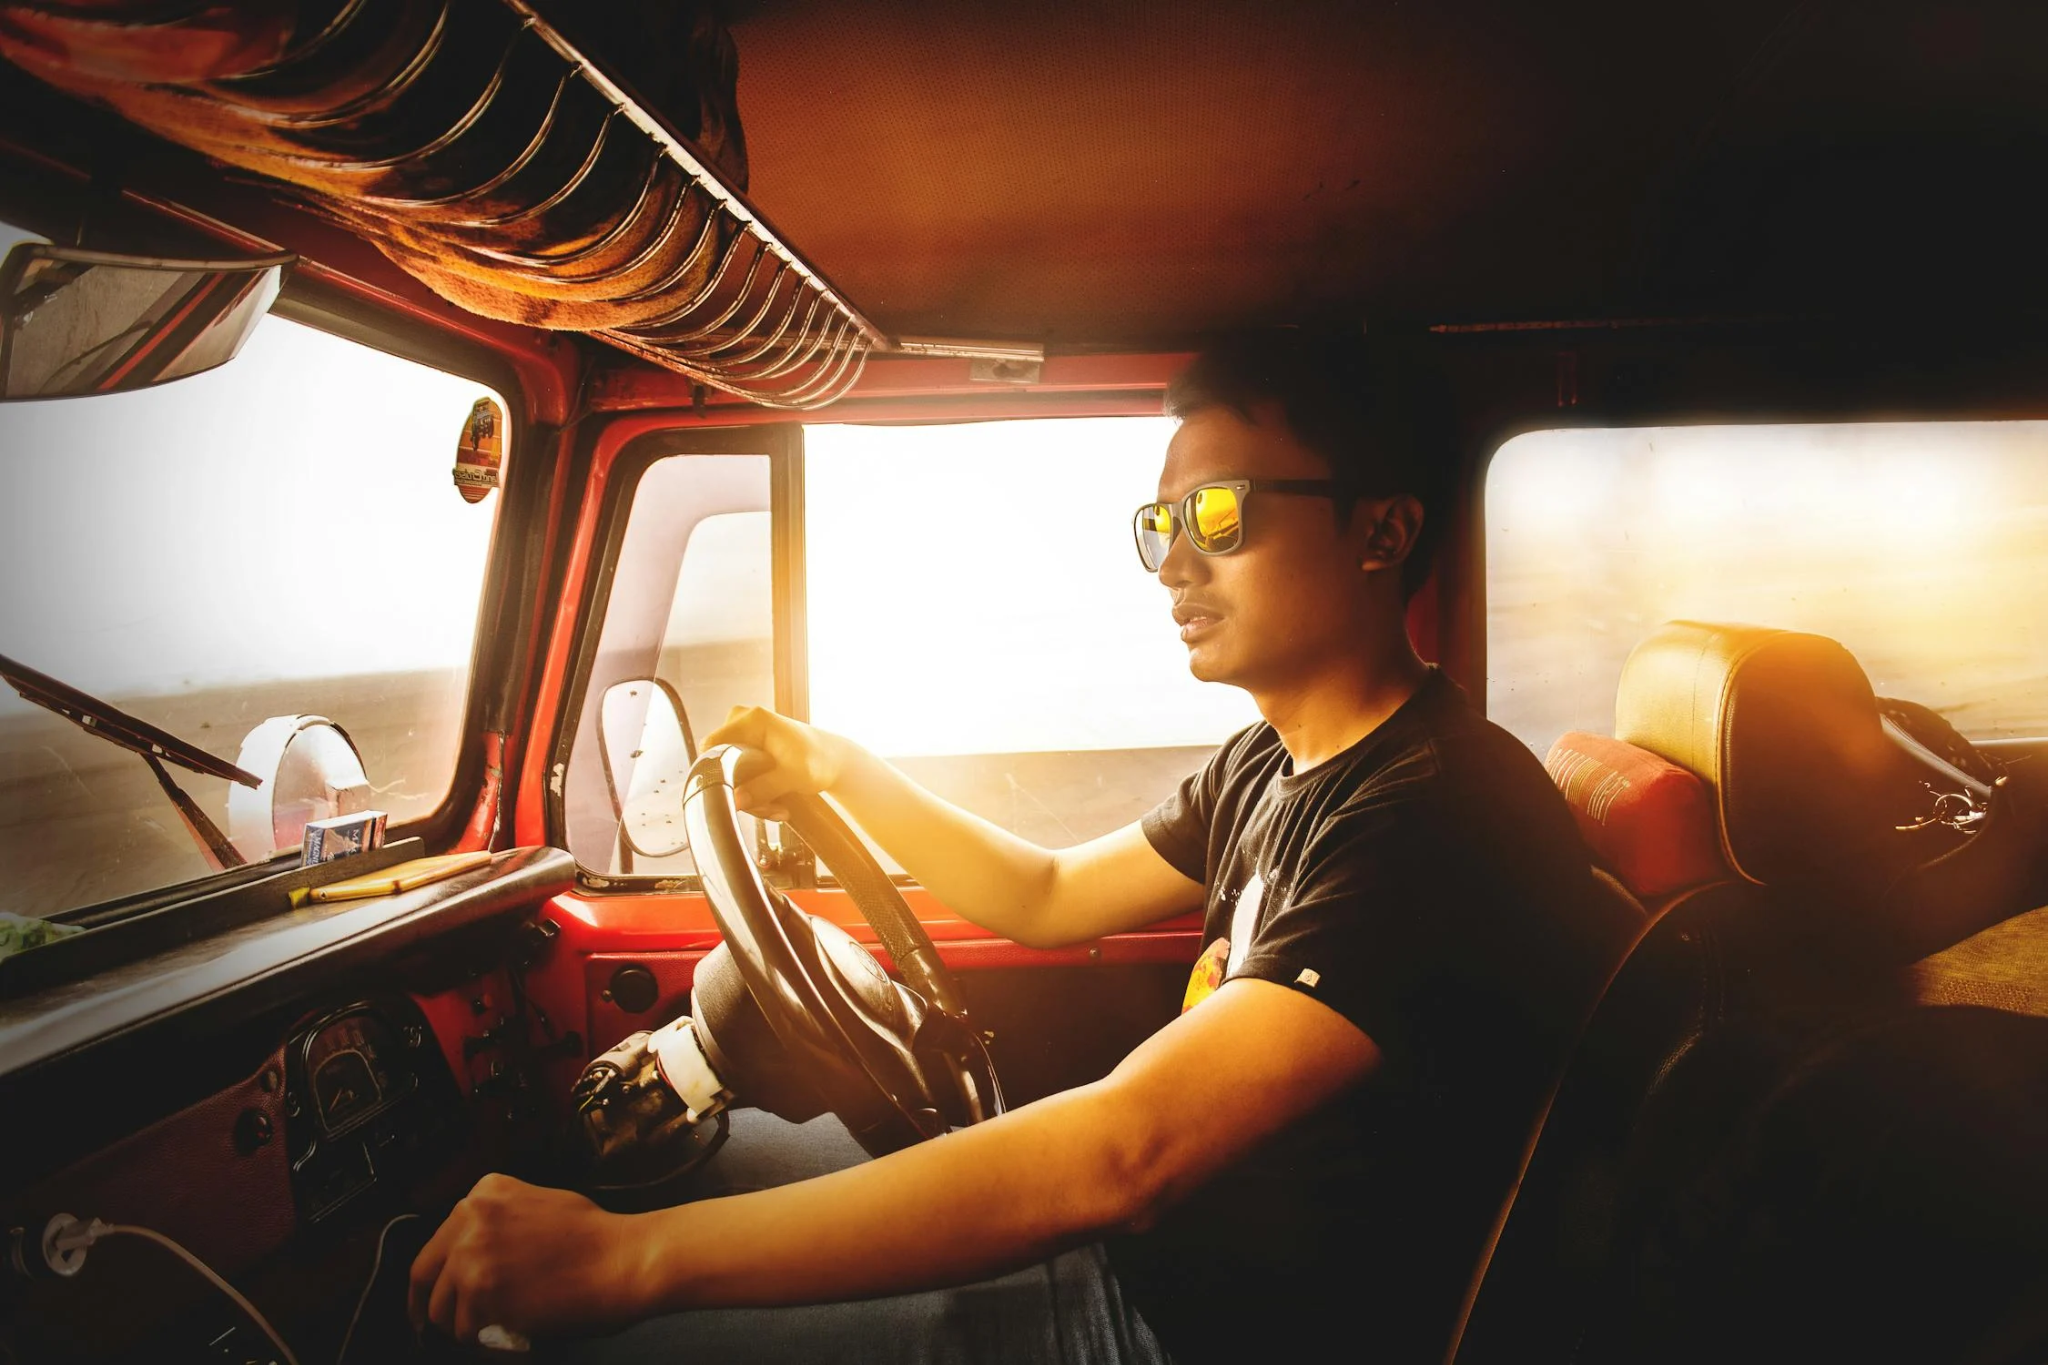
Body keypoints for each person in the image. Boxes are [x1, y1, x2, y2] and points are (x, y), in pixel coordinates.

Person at [409, 328, 1635, 1363]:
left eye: (1218, 513)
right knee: (726, 1170)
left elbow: (1122, 1154)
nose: (1174, 564)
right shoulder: (1273, 762)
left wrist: (629, 1265)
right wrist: (844, 772)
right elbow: (1047, 894)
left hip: (1167, 1328)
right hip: (1153, 1272)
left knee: (605, 1330)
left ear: (1379, 534)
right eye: (1159, 522)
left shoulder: (1429, 817)